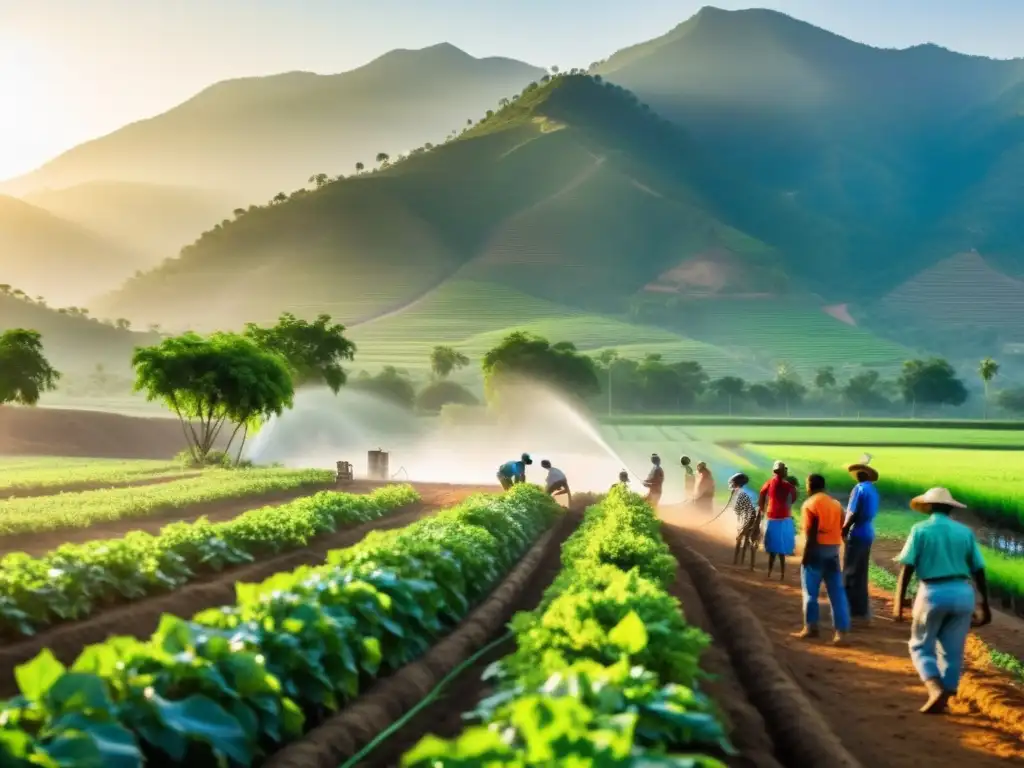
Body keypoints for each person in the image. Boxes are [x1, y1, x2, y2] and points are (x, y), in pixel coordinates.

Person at [894, 487, 991, 714]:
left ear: (928, 507)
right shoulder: (964, 532)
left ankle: (934, 687)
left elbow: (907, 567)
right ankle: (947, 694)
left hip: (932, 592)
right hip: (962, 593)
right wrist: (984, 604)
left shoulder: (920, 530)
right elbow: (979, 570)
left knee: (920, 645)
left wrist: (899, 603)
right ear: (950, 508)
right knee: (953, 650)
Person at [798, 474, 851, 644]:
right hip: (833, 551)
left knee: (810, 593)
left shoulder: (810, 504)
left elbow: (810, 533)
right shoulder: (836, 504)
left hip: (816, 551)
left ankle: (811, 627)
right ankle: (841, 633)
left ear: (810, 486)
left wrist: (806, 557)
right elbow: (843, 527)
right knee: (837, 593)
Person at [843, 456, 880, 625]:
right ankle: (861, 609)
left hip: (857, 532)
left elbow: (852, 512)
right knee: (861, 571)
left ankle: (851, 610)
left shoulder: (858, 489)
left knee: (850, 572)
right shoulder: (872, 490)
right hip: (868, 532)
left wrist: (844, 528)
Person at [759, 460, 797, 581]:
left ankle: (770, 572)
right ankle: (781, 574)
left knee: (772, 549)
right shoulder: (788, 486)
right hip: (784, 518)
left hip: (771, 517)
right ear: (782, 471)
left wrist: (762, 509)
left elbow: (761, 496)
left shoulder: (769, 483)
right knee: (781, 549)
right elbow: (794, 498)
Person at [729, 473, 761, 569]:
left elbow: (737, 509)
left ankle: (737, 560)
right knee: (750, 540)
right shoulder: (743, 493)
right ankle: (750, 564)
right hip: (752, 518)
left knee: (740, 539)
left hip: (746, 519)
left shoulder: (739, 494)